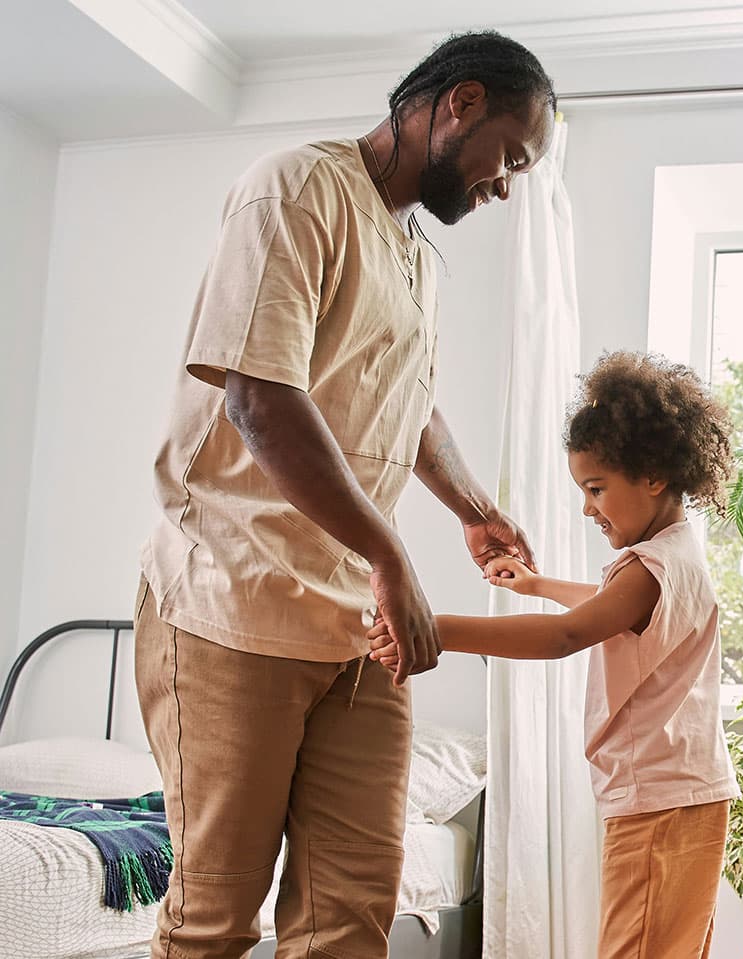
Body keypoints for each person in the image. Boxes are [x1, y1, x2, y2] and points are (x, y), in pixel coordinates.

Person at [136, 31, 554, 959]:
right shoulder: (296, 190)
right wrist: (392, 556)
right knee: (216, 917)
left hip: (354, 630)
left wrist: (474, 508)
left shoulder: (413, 254)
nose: (505, 185)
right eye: (510, 159)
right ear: (462, 104)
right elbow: (257, 396)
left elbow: (411, 403)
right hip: (231, 607)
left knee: (350, 917)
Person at [369, 352, 741, 959]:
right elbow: (609, 605)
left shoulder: (650, 569)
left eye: (596, 489)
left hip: (659, 799)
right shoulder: (675, 553)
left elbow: (565, 636)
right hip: (682, 792)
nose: (588, 508)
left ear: (652, 476)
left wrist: (430, 628)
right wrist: (535, 586)